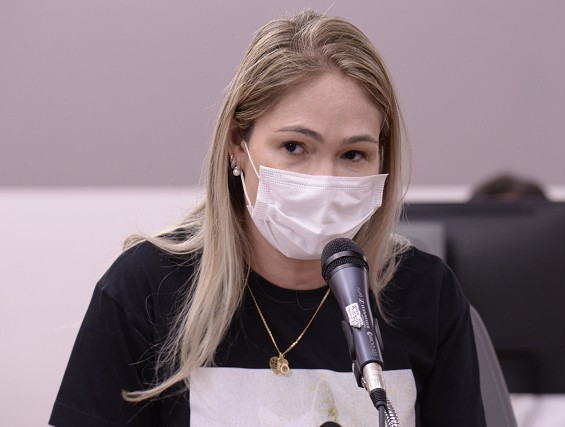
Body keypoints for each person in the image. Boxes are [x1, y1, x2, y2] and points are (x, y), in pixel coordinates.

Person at [49, 10, 486, 426]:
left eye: (353, 154)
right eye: (295, 147)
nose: (324, 180)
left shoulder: (425, 294)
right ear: (237, 145)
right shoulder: (146, 289)